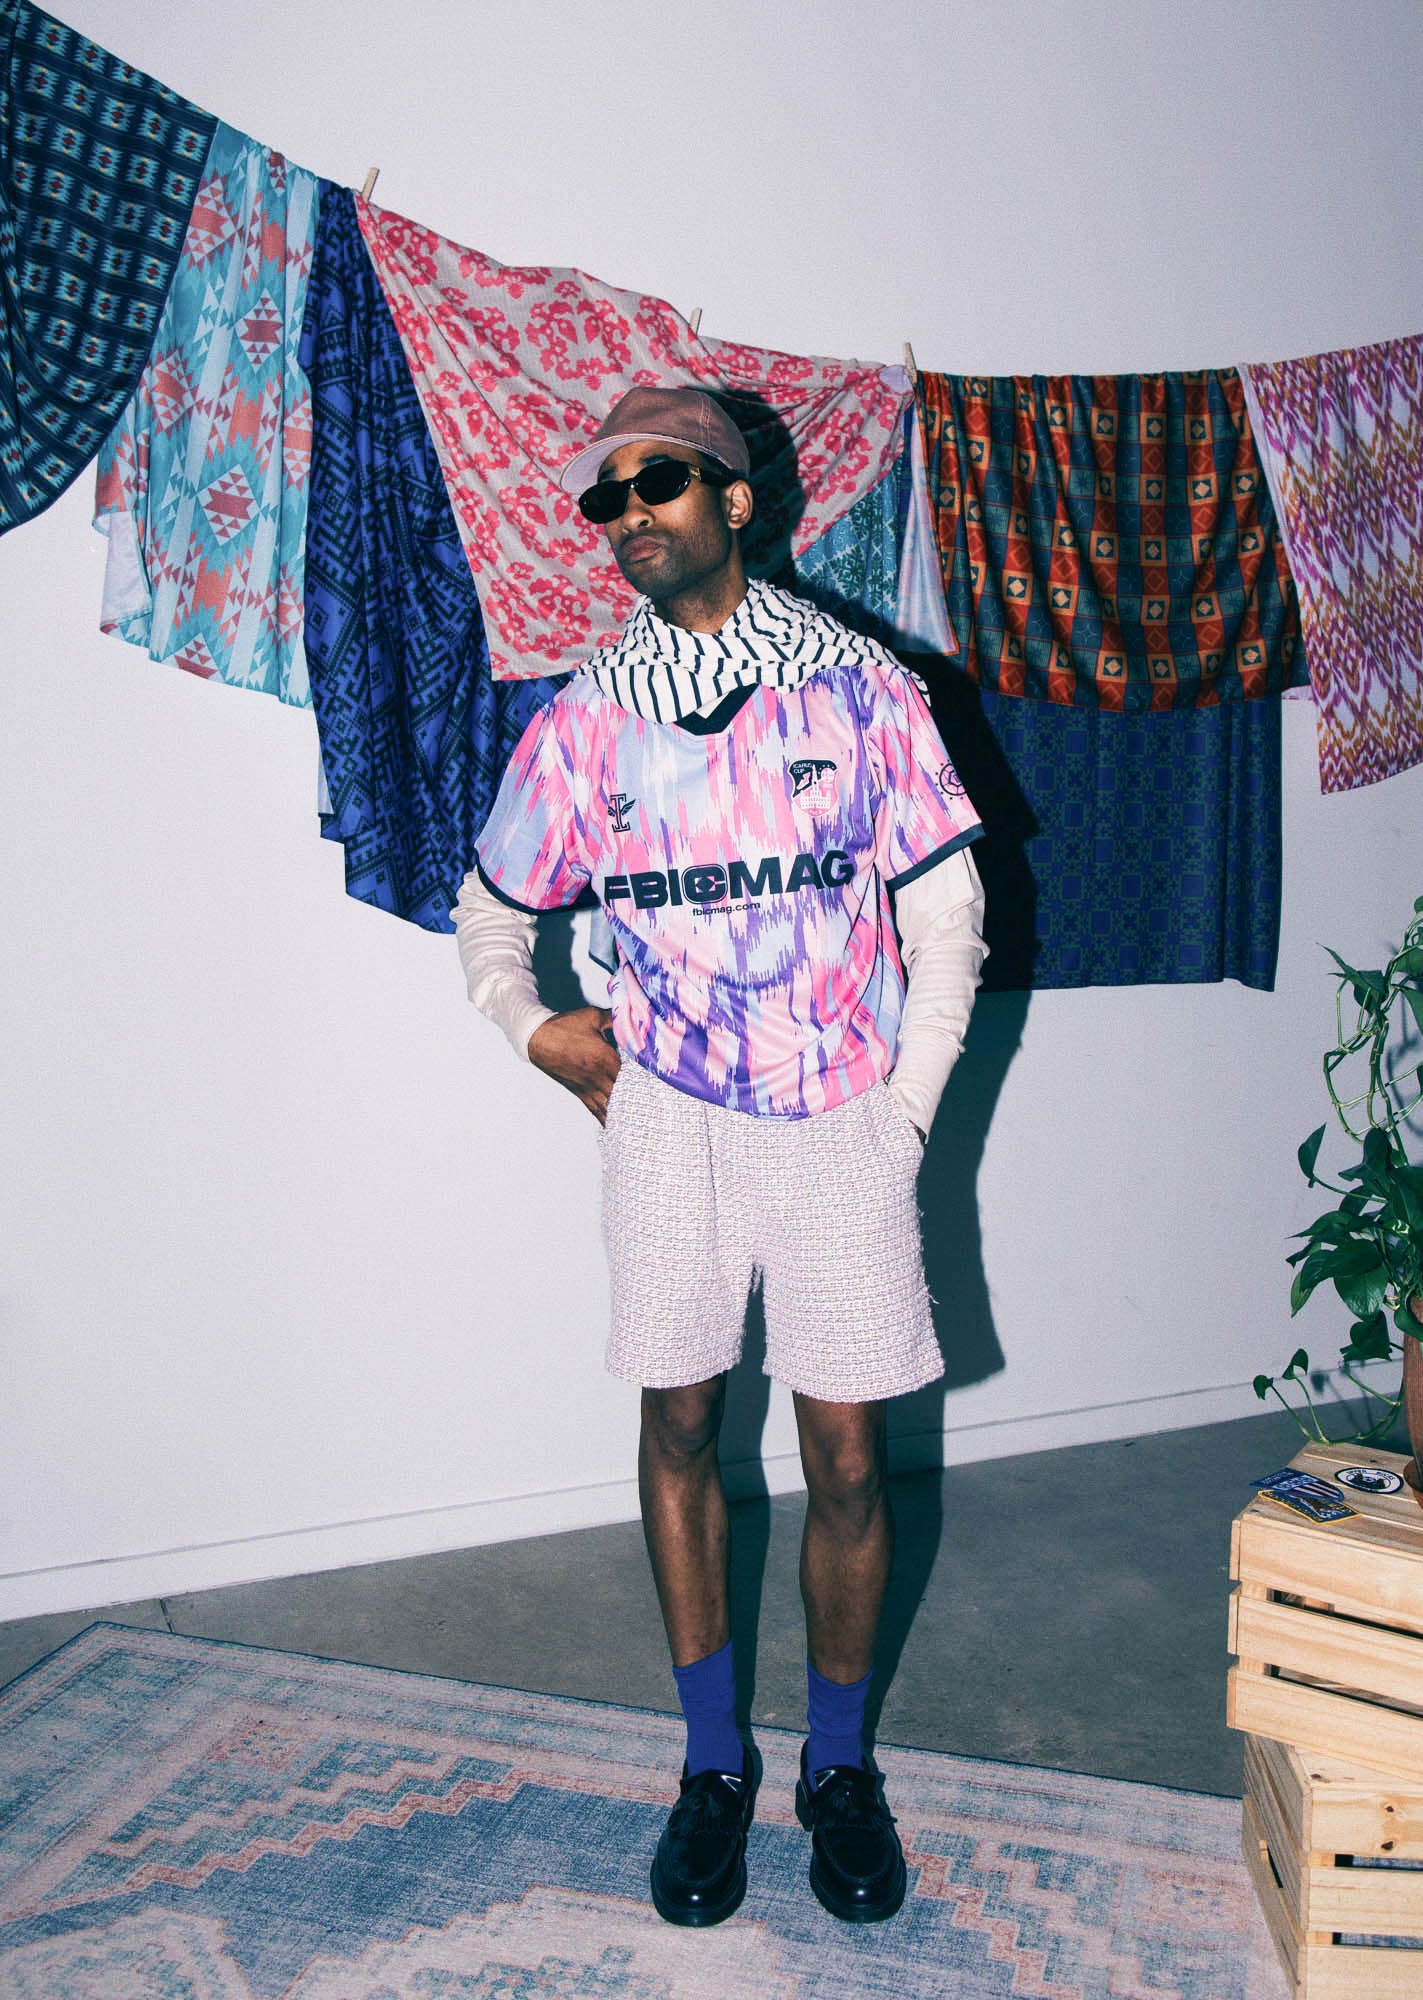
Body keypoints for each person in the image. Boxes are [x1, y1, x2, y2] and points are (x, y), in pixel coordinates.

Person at [453, 386, 986, 1927]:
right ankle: (709, 1769)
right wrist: (533, 1027)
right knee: (680, 1422)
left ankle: (839, 1769)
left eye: (661, 481)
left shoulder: (863, 691)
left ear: (736, 499)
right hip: (670, 1121)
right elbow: (492, 912)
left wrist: (904, 1111)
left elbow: (948, 917)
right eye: (606, 495)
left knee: (847, 1457)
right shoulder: (587, 718)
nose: (630, 512)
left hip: (836, 1115)